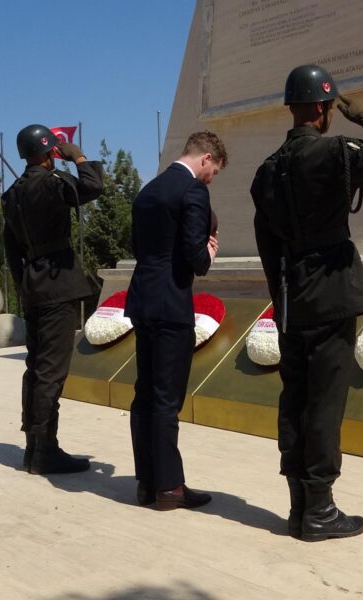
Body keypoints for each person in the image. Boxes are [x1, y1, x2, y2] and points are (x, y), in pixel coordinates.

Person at [251, 65, 363, 540]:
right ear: (323, 109)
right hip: (331, 295)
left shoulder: (266, 171)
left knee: (295, 400)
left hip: (291, 299)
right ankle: (320, 510)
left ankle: (299, 506)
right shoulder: (334, 151)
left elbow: (266, 245)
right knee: (324, 404)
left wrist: (281, 298)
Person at [124, 131, 225, 510]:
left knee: (145, 394)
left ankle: (146, 482)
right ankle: (169, 488)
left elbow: (138, 247)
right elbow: (195, 257)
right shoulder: (192, 190)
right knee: (167, 398)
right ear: (206, 158)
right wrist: (209, 253)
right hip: (171, 303)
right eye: (214, 171)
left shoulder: (147, 191)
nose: (211, 179)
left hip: (143, 297)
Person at [2, 124, 104, 475]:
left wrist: (23, 286)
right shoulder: (53, 182)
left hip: (33, 286)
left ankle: (34, 447)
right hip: (58, 285)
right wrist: (79, 157)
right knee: (51, 371)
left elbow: (11, 249)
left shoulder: (12, 194)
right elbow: (93, 187)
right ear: (49, 153)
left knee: (35, 368)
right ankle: (45, 450)